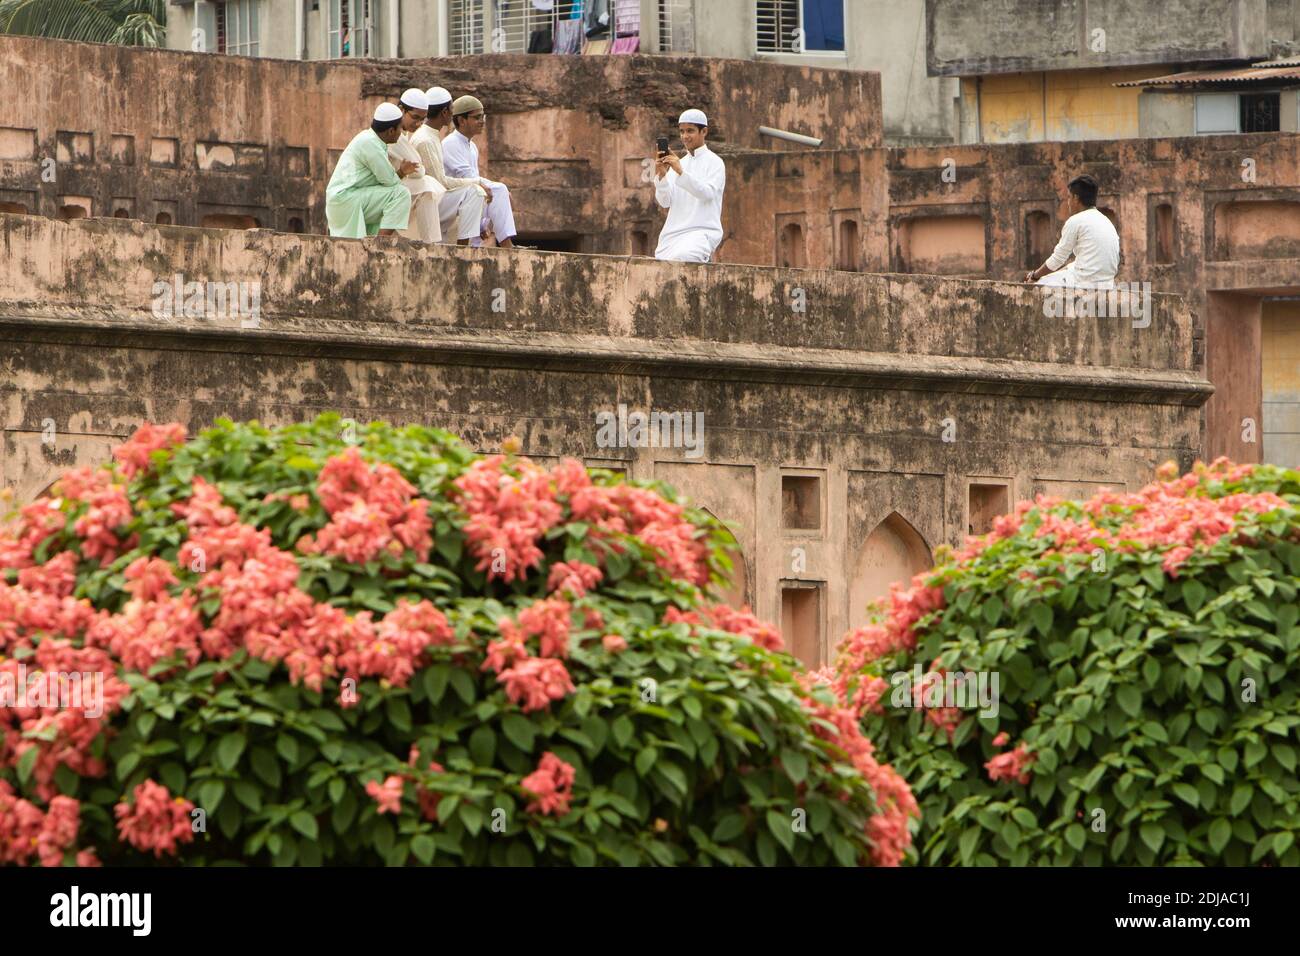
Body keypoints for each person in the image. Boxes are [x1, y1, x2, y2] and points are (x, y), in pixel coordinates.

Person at [412, 86, 489, 246]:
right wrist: (476, 182)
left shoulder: (432, 136)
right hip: (426, 203)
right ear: (445, 113)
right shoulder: (425, 139)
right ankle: (463, 248)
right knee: (475, 192)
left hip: (435, 200)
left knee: (472, 197)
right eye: (452, 109)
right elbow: (441, 183)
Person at [441, 95, 519, 248]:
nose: (482, 121)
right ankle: (506, 245)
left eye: (483, 116)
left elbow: (477, 183)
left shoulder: (472, 147)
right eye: (477, 117)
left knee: (496, 189)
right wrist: (501, 191)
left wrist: (483, 224)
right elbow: (469, 179)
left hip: (467, 197)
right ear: (462, 120)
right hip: (448, 201)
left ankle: (503, 242)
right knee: (498, 189)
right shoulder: (450, 143)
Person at [326, 103, 413, 238]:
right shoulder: (370, 143)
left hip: (347, 199)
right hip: (345, 199)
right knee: (401, 194)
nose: (401, 132)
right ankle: (380, 245)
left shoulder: (371, 139)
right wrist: (401, 172)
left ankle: (380, 240)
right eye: (400, 128)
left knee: (393, 197)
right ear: (391, 131)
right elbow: (390, 181)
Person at [653, 109, 726, 263]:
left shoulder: (715, 162)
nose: (685, 136)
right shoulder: (680, 163)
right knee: (660, 261)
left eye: (690, 131)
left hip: (701, 232)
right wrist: (661, 176)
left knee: (686, 257)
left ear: (704, 131)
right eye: (682, 131)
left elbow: (707, 194)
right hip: (672, 236)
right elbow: (665, 202)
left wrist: (681, 172)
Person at [1025, 174, 1120, 288]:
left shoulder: (1076, 221)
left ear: (1076, 198)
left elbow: (1058, 259)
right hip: (1107, 284)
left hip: (1083, 283)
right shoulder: (1106, 221)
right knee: (1064, 270)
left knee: (1037, 285)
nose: (1068, 202)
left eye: (1069, 197)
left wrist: (1035, 276)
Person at [389, 88, 446, 243]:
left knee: (429, 185)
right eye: (415, 117)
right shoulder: (392, 132)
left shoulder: (404, 133)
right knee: (426, 185)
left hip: (394, 187)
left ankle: (431, 242)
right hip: (383, 189)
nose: (419, 123)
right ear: (401, 110)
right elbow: (418, 170)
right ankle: (431, 243)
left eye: (423, 119)